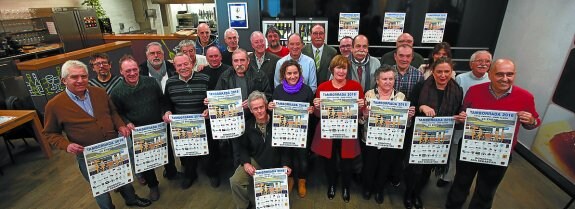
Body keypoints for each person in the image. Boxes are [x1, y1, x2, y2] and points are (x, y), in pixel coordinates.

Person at [43, 60, 152, 209]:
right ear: (64, 80)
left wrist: (120, 125)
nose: (80, 80)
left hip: (113, 147)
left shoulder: (99, 93)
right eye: (74, 77)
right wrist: (66, 145)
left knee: (123, 177)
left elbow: (112, 112)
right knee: (100, 187)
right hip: (88, 154)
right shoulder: (54, 105)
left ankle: (131, 199)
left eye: (84, 76)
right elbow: (50, 133)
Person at [446, 59, 540, 209]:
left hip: (499, 152)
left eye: (509, 74)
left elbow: (533, 123)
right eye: (499, 74)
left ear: (515, 75)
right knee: (460, 182)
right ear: (489, 75)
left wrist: (531, 120)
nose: (505, 78)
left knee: (486, 190)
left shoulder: (525, 97)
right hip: (470, 147)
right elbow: (464, 111)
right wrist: (462, 116)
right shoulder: (475, 91)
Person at [405, 57, 463, 209]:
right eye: (439, 71)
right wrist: (421, 107)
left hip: (440, 138)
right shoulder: (421, 86)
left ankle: (417, 194)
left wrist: (460, 117)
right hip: (419, 135)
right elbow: (410, 107)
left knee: (426, 170)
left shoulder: (457, 90)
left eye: (446, 72)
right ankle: (408, 194)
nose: (443, 75)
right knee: (414, 169)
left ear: (451, 72)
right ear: (433, 71)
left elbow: (458, 111)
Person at [109, 55, 165, 201]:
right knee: (145, 162)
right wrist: (126, 122)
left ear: (139, 69)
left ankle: (171, 172)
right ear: (121, 72)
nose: (132, 73)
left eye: (135, 69)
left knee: (167, 152)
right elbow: (117, 112)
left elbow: (161, 100)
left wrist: (164, 114)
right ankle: (153, 186)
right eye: (128, 71)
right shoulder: (116, 92)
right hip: (138, 131)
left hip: (159, 126)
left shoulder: (151, 82)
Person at [311, 55, 365, 203]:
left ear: (348, 70)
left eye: (344, 68)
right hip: (328, 130)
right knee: (329, 161)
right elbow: (317, 114)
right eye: (338, 67)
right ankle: (332, 185)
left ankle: (346, 187)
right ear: (332, 69)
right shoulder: (323, 87)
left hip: (347, 131)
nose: (341, 71)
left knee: (347, 161)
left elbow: (361, 113)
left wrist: (362, 107)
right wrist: (316, 107)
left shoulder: (355, 87)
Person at [162, 53, 220, 189]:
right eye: (179, 65)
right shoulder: (170, 82)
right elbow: (166, 103)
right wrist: (167, 111)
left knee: (209, 153)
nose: (183, 67)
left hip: (204, 124)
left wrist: (209, 109)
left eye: (186, 64)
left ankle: (212, 173)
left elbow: (214, 100)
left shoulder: (206, 79)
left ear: (191, 64)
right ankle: (190, 175)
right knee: (187, 155)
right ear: (175, 68)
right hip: (182, 127)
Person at [361, 65, 415, 204]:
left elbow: (406, 126)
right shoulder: (369, 94)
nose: (388, 82)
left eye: (391, 79)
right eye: (384, 79)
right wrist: (364, 115)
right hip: (370, 139)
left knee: (385, 166)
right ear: (377, 80)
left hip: (391, 139)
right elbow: (361, 121)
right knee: (369, 165)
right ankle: (367, 188)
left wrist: (408, 117)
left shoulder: (400, 97)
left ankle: (379, 190)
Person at [437, 50, 492, 188]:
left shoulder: (492, 79)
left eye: (487, 61)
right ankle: (447, 177)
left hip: (481, 125)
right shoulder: (461, 78)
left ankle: (462, 182)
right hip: (460, 121)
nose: (483, 64)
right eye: (479, 61)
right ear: (471, 63)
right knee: (454, 150)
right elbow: (454, 99)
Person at [229, 91, 292, 209]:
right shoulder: (247, 126)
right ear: (251, 110)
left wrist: (286, 164)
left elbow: (286, 147)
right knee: (235, 181)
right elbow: (243, 147)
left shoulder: (278, 121)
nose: (259, 111)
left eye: (261, 107)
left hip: (276, 163)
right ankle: (245, 205)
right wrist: (246, 162)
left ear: (266, 105)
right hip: (256, 161)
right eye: (255, 108)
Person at [267, 60, 314, 198]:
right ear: (283, 75)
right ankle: (290, 178)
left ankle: (302, 181)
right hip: (284, 133)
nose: (292, 76)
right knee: (286, 156)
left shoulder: (307, 90)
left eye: (295, 73)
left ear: (299, 73)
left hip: (302, 133)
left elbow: (312, 110)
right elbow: (274, 113)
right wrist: (270, 109)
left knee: (303, 159)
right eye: (289, 73)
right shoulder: (278, 90)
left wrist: (311, 110)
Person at [138, 41, 179, 179]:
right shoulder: (140, 71)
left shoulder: (173, 67)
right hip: (150, 115)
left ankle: (171, 171)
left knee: (169, 144)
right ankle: (151, 181)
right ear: (146, 55)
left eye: (159, 53)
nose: (156, 56)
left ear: (163, 54)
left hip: (171, 112)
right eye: (152, 53)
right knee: (150, 149)